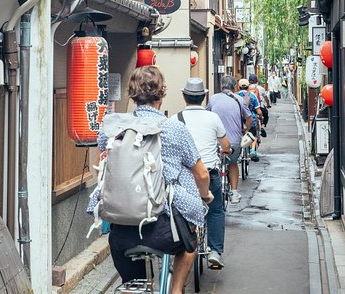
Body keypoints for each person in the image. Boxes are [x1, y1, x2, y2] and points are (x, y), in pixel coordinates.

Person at [87, 66, 212, 294]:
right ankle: (176, 290)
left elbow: (103, 169)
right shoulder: (175, 129)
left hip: (121, 231)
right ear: (161, 94)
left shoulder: (113, 129)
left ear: (133, 94)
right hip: (165, 230)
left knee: (130, 281)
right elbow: (202, 174)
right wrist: (205, 195)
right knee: (190, 243)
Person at [171, 77, 232, 269]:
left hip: (184, 176)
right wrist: (226, 150)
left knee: (179, 211)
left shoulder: (175, 119)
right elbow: (226, 145)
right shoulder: (212, 118)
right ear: (204, 97)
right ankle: (215, 251)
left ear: (184, 96)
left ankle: (179, 249)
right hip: (208, 173)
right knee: (215, 210)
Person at [206, 75, 252, 204]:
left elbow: (206, 113)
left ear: (222, 87)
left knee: (212, 164)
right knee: (233, 163)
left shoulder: (213, 99)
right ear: (234, 87)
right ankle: (235, 192)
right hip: (234, 141)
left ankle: (208, 191)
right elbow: (249, 118)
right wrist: (245, 130)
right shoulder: (239, 100)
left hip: (216, 141)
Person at [237, 78, 262, 162]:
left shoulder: (235, 96)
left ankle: (239, 153)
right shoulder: (252, 96)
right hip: (251, 120)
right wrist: (261, 116)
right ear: (248, 87)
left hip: (239, 121)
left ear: (238, 87)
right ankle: (252, 150)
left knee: (238, 135)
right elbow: (258, 110)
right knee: (253, 135)